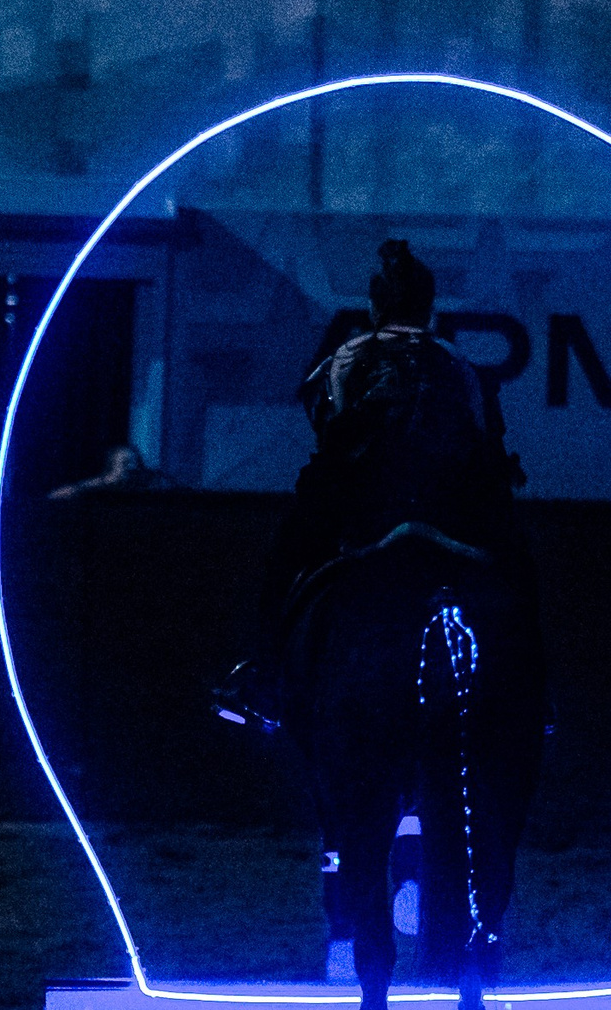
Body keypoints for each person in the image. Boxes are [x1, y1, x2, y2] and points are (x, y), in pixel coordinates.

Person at [214, 239, 534, 728]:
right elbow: (484, 435)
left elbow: (328, 422)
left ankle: (266, 677)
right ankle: (533, 688)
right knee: (516, 564)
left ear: (375, 305)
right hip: (448, 507)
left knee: (288, 555)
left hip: (365, 507)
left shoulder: (347, 357)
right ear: (429, 306)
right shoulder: (459, 363)